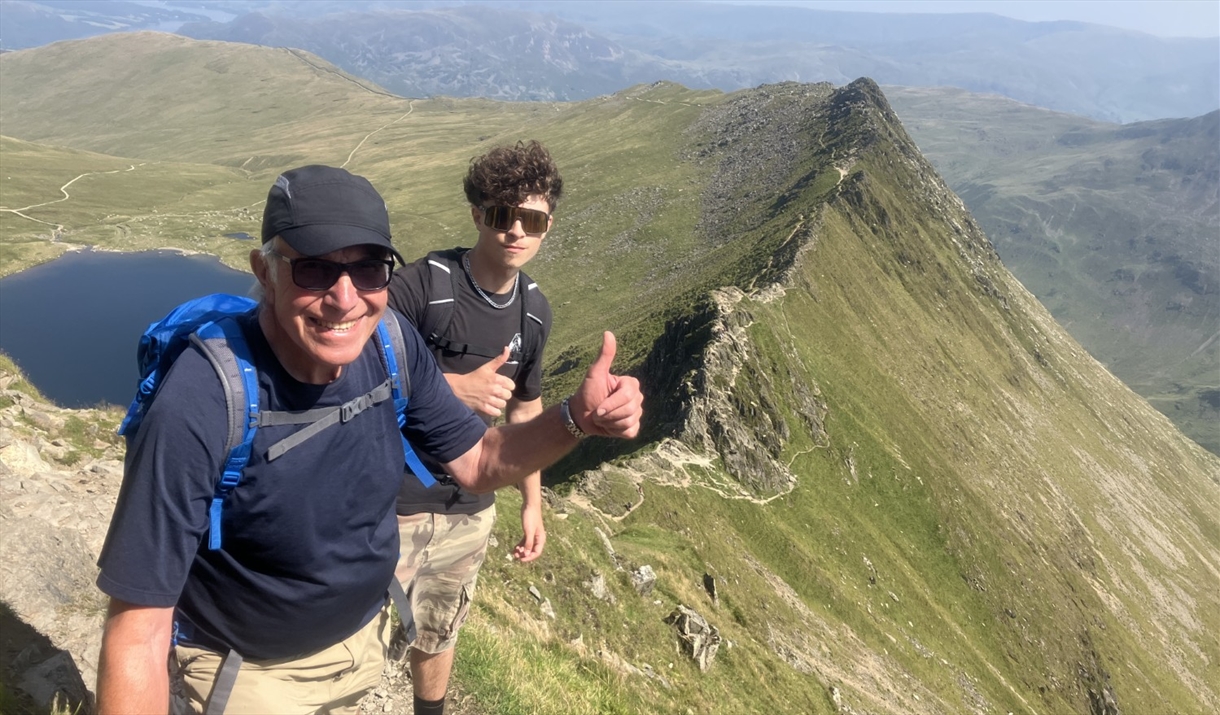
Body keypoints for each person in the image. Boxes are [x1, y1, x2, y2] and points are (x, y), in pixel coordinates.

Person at [93, 164, 643, 715]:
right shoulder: (203, 397)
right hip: (253, 676)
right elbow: (137, 631)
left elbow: (479, 460)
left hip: (363, 648)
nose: (344, 298)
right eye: (312, 270)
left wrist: (576, 418)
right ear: (265, 270)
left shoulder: (391, 344)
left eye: (369, 269)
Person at [386, 140, 561, 715]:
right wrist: (450, 388)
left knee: (440, 628)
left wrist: (531, 504)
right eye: (501, 214)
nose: (515, 230)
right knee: (357, 635)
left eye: (530, 219)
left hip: (468, 506)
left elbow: (524, 412)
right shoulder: (425, 285)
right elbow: (354, 362)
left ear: (547, 227)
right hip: (390, 501)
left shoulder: (534, 312)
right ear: (478, 215)